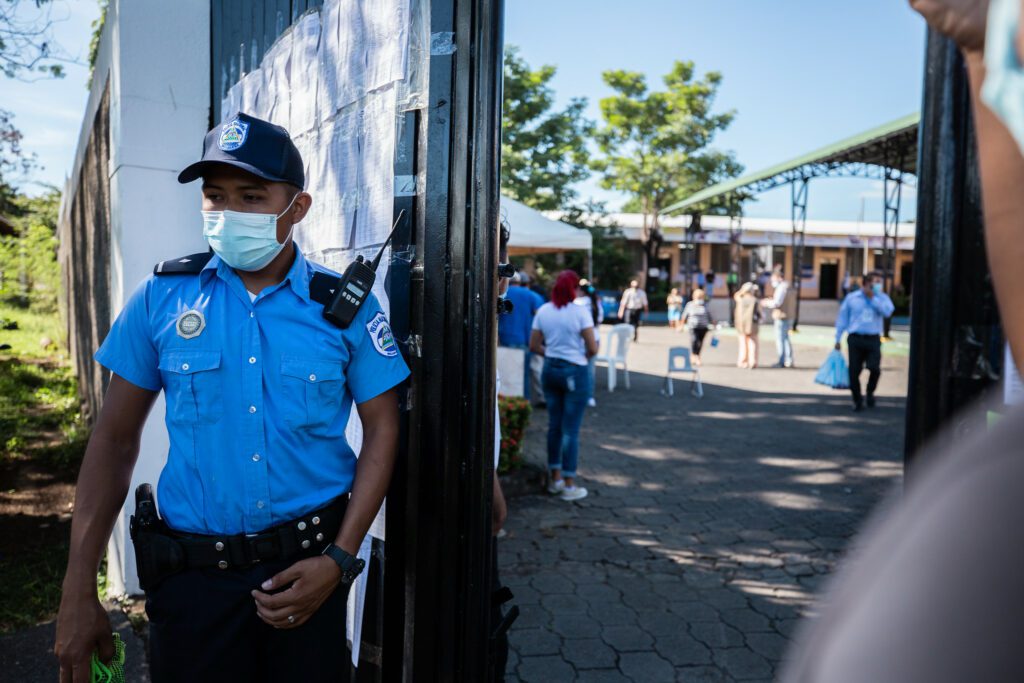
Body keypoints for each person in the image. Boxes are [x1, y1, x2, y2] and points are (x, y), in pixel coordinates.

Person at [53, 113, 410, 682]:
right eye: (215, 196)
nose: (228, 212)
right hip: (192, 585)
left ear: (298, 206)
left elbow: (383, 428)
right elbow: (115, 440)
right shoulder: (161, 300)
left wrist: (339, 561)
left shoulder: (343, 307)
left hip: (307, 573)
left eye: (251, 195)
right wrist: (78, 587)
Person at [781, 3, 1024, 680]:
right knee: (862, 374)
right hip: (855, 341)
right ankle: (859, 394)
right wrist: (986, 53)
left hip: (874, 342)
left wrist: (990, 53)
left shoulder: (879, 298)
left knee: (873, 376)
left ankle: (863, 396)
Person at [530, 270, 598, 502]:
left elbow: (534, 345)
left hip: (550, 370)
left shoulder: (544, 311)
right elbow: (593, 347)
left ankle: (555, 478)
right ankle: (569, 484)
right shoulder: (580, 312)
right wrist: (583, 355)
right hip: (574, 370)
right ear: (573, 288)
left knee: (554, 426)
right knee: (571, 429)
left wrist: (551, 353)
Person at [834, 271, 895, 412]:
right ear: (866, 283)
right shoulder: (852, 298)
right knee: (854, 371)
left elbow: (888, 312)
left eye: (879, 282)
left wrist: (873, 298)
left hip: (873, 339)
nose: (878, 285)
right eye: (875, 282)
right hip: (855, 339)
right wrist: (837, 338)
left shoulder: (882, 297)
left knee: (875, 368)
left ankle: (870, 393)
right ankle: (857, 399)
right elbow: (842, 319)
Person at [499, 271, 544, 404]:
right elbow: (540, 316)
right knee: (524, 375)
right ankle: (524, 403)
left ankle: (507, 404)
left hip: (504, 339)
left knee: (506, 374)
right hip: (525, 340)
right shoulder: (533, 296)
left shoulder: (502, 295)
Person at [575, 278, 603, 408]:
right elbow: (600, 319)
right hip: (595, 338)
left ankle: (577, 393)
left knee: (578, 367)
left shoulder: (578, 303)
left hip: (580, 339)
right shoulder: (596, 303)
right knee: (590, 370)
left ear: (580, 290)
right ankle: (589, 396)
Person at [762, 268, 796, 368]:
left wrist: (766, 303)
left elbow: (777, 303)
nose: (772, 282)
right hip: (789, 316)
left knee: (780, 339)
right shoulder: (790, 287)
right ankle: (789, 360)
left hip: (782, 316)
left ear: (778, 277)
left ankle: (782, 360)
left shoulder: (781, 288)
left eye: (773, 279)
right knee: (786, 339)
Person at [681, 289, 715, 367]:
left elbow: (710, 315)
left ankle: (698, 356)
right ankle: (693, 355)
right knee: (694, 340)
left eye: (701, 297)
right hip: (693, 326)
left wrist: (714, 323)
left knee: (700, 342)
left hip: (703, 327)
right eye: (698, 296)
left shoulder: (705, 305)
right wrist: (681, 325)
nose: (699, 298)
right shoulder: (690, 304)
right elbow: (684, 315)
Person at [733, 282, 760, 369]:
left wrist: (742, 290)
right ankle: (753, 361)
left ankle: (743, 361)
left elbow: (736, 294)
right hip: (752, 323)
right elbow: (760, 313)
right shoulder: (755, 300)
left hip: (742, 323)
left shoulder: (740, 299)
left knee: (743, 342)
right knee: (753, 342)